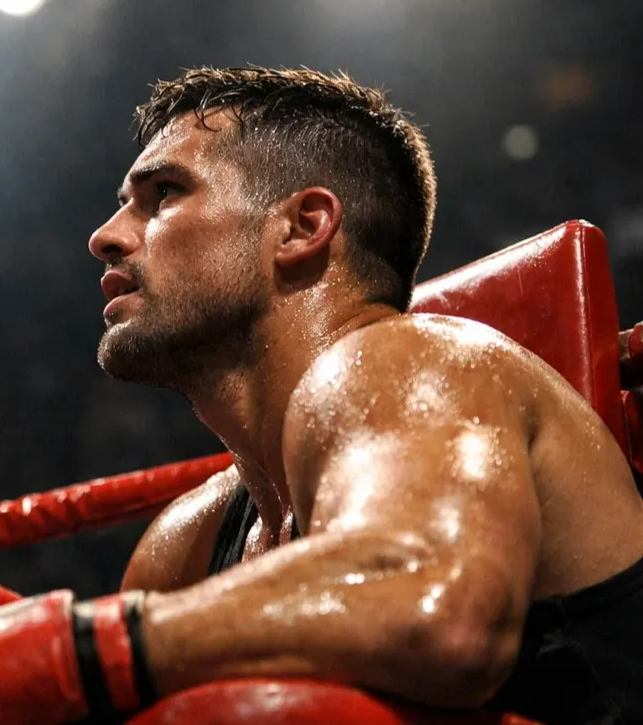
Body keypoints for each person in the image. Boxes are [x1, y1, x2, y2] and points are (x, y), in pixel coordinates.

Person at [90, 67, 643, 723]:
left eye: (163, 194)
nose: (108, 235)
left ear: (303, 226)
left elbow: (440, 614)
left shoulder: (420, 360)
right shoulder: (186, 544)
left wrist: (79, 649)